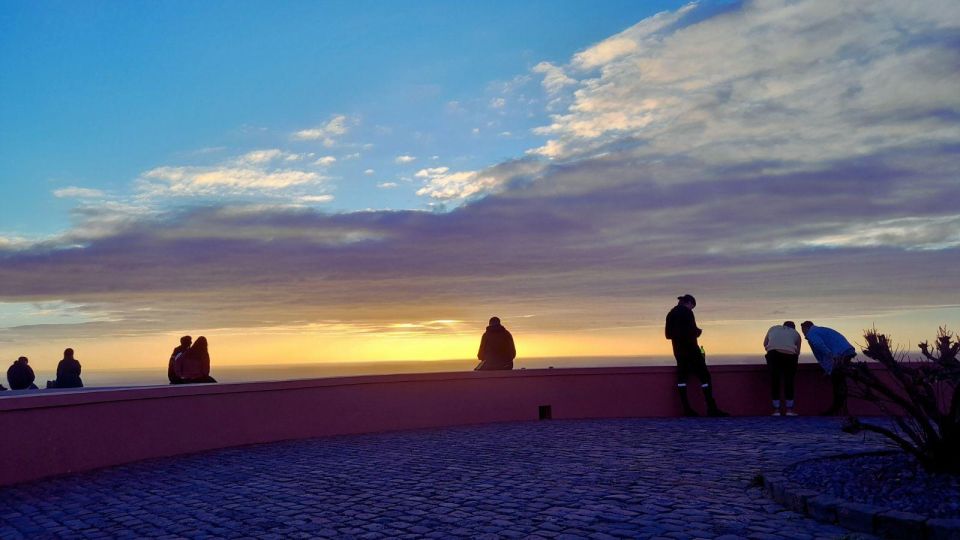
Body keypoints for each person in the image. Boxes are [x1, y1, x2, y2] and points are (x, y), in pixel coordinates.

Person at [665, 294, 728, 417]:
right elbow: (692, 331)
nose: (691, 309)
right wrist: (698, 332)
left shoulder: (670, 314)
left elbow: (668, 335)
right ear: (688, 303)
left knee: (682, 380)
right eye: (692, 306)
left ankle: (686, 409)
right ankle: (711, 408)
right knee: (705, 377)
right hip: (692, 351)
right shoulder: (687, 313)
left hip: (678, 352)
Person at [800, 321, 857, 416]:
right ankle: (841, 409)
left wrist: (831, 355)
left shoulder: (812, 333)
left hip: (839, 355)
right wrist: (829, 368)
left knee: (838, 382)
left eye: (803, 330)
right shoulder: (821, 330)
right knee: (840, 381)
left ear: (806, 328)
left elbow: (819, 345)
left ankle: (836, 409)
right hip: (846, 351)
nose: (803, 332)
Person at [763, 321, 802, 416]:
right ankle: (789, 410)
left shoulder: (773, 328)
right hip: (789, 356)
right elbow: (797, 352)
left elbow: (765, 344)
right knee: (789, 381)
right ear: (793, 328)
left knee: (775, 381)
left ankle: (776, 410)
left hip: (773, 355)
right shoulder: (796, 333)